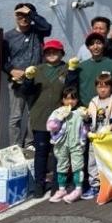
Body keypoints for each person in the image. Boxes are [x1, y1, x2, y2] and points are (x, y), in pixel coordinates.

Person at [19, 39, 79, 197]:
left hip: (61, 119)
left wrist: (72, 72)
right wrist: (28, 79)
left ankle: (57, 185)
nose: (52, 54)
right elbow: (25, 91)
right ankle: (39, 184)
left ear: (62, 53)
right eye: (48, 51)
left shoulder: (66, 69)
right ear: (44, 54)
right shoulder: (37, 69)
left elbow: (71, 89)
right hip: (40, 118)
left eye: (55, 51)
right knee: (41, 153)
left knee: (60, 154)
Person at [3, 2, 52, 147]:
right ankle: (15, 147)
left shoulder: (38, 32)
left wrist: (31, 13)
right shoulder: (8, 37)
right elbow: (2, 59)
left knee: (34, 114)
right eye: (20, 15)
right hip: (17, 82)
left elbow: (47, 27)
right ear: (15, 16)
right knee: (15, 117)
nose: (23, 18)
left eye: (27, 15)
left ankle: (29, 145)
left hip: (37, 80)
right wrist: (11, 70)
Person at [82, 72, 112, 200]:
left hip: (110, 138)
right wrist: (85, 118)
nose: (102, 89)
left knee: (110, 162)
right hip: (95, 138)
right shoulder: (93, 101)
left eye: (106, 86)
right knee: (92, 163)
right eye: (99, 86)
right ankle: (94, 186)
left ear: (111, 87)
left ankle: (111, 186)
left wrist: (111, 126)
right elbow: (88, 119)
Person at [46, 86, 87, 203]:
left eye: (73, 99)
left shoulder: (80, 112)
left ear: (77, 100)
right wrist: (59, 118)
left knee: (78, 166)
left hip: (76, 143)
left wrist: (86, 118)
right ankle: (62, 189)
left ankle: (78, 189)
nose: (70, 101)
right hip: (61, 144)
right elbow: (50, 127)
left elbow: (86, 127)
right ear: (63, 100)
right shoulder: (57, 112)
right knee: (61, 166)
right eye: (67, 99)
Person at [76, 31, 112, 106]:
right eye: (92, 44)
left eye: (99, 43)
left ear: (103, 45)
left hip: (106, 108)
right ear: (88, 47)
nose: (95, 47)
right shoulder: (81, 67)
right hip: (84, 109)